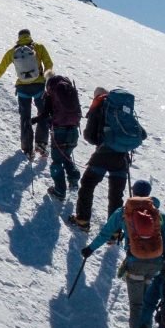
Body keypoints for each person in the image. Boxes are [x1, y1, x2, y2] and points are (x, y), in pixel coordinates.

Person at [81, 179, 165, 328]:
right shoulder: (160, 215)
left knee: (136, 305)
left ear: (133, 191)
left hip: (135, 263)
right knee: (148, 305)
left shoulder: (124, 213)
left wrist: (90, 249)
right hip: (156, 266)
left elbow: (106, 233)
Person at [70, 87, 147, 231]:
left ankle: (82, 219)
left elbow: (89, 136)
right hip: (122, 160)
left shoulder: (99, 108)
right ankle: (114, 231)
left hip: (103, 155)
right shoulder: (122, 112)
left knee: (87, 184)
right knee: (116, 195)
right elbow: (142, 134)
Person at [0, 29, 55, 157]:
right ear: (29, 36)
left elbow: (1, 68)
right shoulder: (39, 47)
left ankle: (27, 148)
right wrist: (47, 78)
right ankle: (41, 144)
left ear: (19, 38)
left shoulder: (13, 52)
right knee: (43, 114)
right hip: (39, 87)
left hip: (23, 89)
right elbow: (48, 64)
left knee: (25, 117)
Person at [43, 73, 83, 201]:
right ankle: (74, 180)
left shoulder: (51, 91)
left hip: (60, 130)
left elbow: (45, 113)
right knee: (67, 156)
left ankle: (59, 190)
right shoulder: (69, 89)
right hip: (74, 130)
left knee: (57, 162)